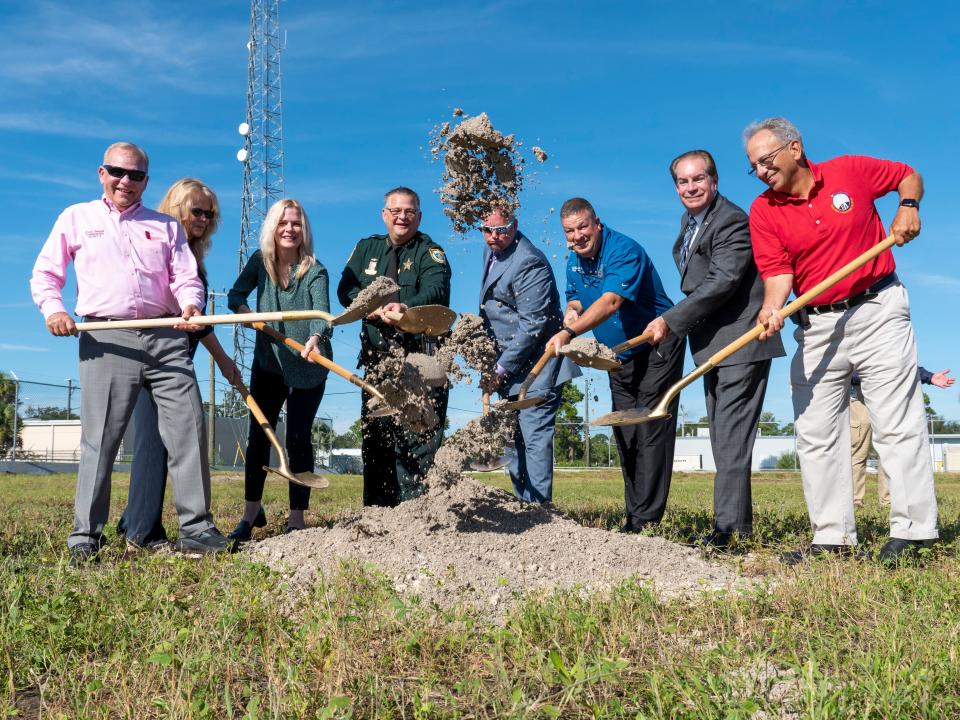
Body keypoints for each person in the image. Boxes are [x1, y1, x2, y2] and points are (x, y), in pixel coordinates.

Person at [744, 117, 938, 564]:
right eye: (753, 165)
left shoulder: (849, 170)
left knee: (895, 419)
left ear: (795, 148)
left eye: (766, 160)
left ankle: (914, 533)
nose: (760, 171)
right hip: (816, 324)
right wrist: (772, 307)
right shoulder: (763, 211)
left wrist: (908, 205)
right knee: (814, 430)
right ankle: (832, 539)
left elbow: (908, 174)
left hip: (877, 308)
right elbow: (778, 273)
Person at [30, 142, 230, 561]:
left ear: (146, 181)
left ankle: (197, 529)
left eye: (136, 175)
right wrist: (55, 311)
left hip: (165, 335)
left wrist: (191, 304)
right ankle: (85, 536)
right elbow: (46, 273)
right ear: (101, 173)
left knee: (189, 429)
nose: (126, 181)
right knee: (99, 440)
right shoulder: (76, 218)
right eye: (117, 172)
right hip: (106, 337)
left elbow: (185, 276)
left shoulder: (165, 227)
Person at [642, 150, 785, 548]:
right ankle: (734, 526)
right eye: (683, 182)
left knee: (730, 441)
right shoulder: (689, 222)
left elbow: (722, 281)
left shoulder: (731, 220)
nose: (691, 187)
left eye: (698, 179)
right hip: (711, 346)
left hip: (742, 341)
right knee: (723, 437)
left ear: (715, 180)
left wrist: (672, 320)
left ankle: (730, 534)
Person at [546, 198, 685, 532]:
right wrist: (571, 313)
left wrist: (568, 331)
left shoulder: (623, 249)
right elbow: (577, 297)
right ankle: (633, 518)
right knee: (625, 431)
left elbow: (610, 302)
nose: (578, 236)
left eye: (582, 227)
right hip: (617, 356)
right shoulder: (574, 261)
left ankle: (646, 523)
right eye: (570, 231)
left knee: (650, 428)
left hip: (656, 345)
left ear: (597, 223)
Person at [117, 178, 240, 550]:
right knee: (154, 446)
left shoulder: (193, 256)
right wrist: (222, 359)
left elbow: (197, 322)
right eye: (195, 211)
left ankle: (134, 525)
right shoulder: (163, 248)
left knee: (158, 444)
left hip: (176, 360)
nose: (203, 218)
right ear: (177, 209)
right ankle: (142, 531)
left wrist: (223, 361)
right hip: (152, 359)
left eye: (209, 213)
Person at [337, 187, 452, 507]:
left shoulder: (430, 252)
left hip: (420, 362)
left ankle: (417, 517)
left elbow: (436, 292)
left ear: (419, 216)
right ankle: (377, 515)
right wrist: (368, 305)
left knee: (417, 445)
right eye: (396, 211)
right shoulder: (366, 248)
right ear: (385, 214)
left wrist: (403, 310)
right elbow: (346, 288)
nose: (403, 217)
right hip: (378, 363)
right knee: (376, 440)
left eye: (410, 211)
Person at [227, 199, 332, 538]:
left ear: (305, 231)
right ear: (273, 227)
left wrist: (316, 337)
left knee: (298, 436)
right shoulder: (261, 263)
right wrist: (248, 314)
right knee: (259, 435)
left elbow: (322, 314)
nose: (290, 229)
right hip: (269, 363)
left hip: (309, 365)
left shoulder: (314, 270)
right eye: (284, 223)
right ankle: (251, 511)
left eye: (297, 224)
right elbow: (235, 295)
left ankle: (297, 517)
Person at [477, 208, 580, 503]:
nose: (493, 237)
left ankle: (540, 513)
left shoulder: (529, 261)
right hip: (511, 367)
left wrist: (499, 369)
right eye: (486, 230)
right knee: (513, 443)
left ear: (516, 225)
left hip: (539, 366)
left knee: (533, 441)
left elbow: (532, 324)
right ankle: (522, 509)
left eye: (501, 229)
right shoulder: (492, 252)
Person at [852, 367, 954, 508]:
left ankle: (887, 502)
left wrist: (929, 377)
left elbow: (905, 364)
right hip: (859, 396)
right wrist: (875, 374)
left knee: (888, 451)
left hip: (887, 398)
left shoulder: (889, 347)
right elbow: (844, 370)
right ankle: (855, 502)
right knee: (858, 452)